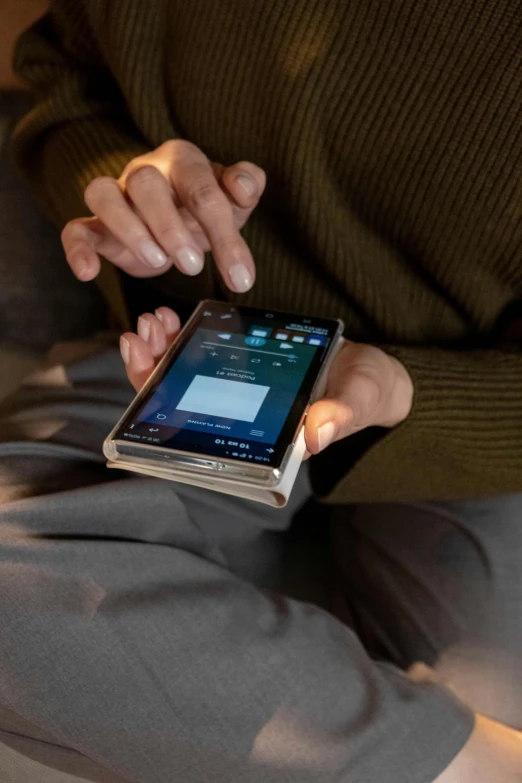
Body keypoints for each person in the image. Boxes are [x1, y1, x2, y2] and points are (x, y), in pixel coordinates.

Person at [1, 0, 521, 780]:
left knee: (487, 703)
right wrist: (116, 182)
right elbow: (62, 80)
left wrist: (417, 392)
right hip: (192, 354)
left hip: (465, 417)